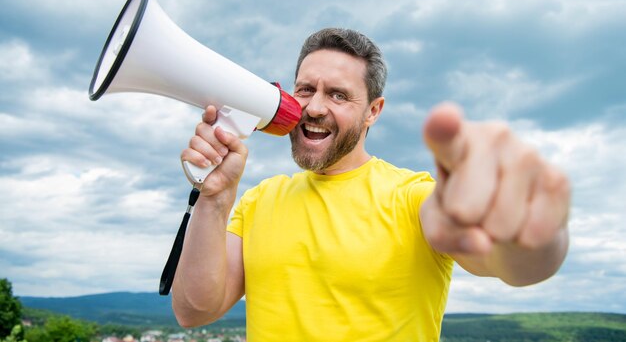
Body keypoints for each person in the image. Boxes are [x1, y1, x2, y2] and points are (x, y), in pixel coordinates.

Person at [172, 28, 570, 341]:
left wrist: (535, 233)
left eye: (339, 95)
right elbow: (193, 311)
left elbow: (516, 265)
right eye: (306, 88)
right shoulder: (260, 200)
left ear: (373, 112)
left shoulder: (413, 196)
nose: (313, 107)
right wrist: (216, 197)